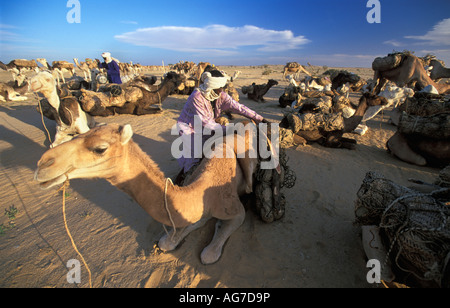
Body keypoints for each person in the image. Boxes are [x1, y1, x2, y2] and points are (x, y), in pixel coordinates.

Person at [175, 69, 270, 184]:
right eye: (219, 88)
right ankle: (186, 181)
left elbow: (238, 107)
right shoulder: (197, 97)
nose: (221, 90)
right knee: (194, 158)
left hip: (209, 126)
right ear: (211, 87)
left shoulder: (221, 95)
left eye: (222, 87)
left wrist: (258, 118)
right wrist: (232, 129)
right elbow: (206, 123)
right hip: (190, 129)